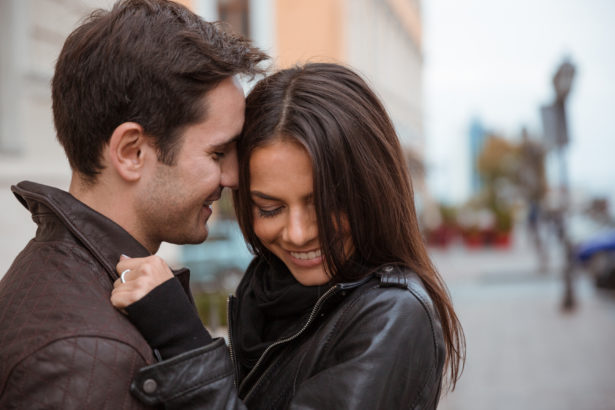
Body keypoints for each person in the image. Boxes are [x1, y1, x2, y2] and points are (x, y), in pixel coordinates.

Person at [111, 63, 465, 409]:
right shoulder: (266, 292)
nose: (298, 234)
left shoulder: (392, 316)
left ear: (372, 190)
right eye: (269, 208)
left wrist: (183, 339)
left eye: (323, 204)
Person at [0, 0, 267, 407]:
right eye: (217, 154)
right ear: (131, 152)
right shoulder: (87, 354)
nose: (232, 177)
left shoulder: (73, 280)